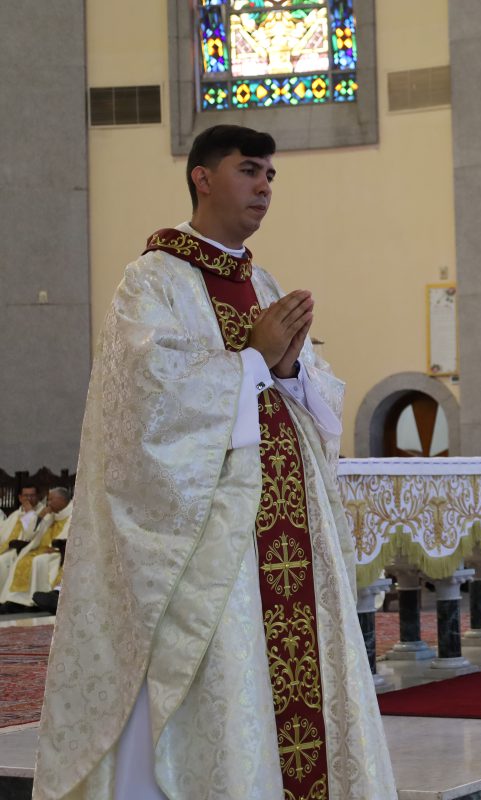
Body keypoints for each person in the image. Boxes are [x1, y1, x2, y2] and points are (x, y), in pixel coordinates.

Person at [34, 125, 397, 799]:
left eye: (270, 176)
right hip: (211, 545)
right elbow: (146, 404)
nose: (264, 186)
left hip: (285, 532)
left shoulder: (261, 280)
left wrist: (288, 370)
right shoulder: (153, 281)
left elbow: (298, 394)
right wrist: (255, 359)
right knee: (229, 688)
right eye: (250, 170)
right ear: (202, 177)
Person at [0, 487, 71, 612]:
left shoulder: (73, 515)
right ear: (20, 498)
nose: (48, 503)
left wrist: (55, 548)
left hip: (59, 552)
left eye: (51, 500)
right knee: (22, 559)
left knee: (38, 561)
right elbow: (29, 533)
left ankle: (37, 601)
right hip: (37, 549)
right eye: (26, 496)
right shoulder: (49, 514)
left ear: (61, 500)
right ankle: (17, 600)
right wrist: (40, 516)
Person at [0, 487, 41, 589]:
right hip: (5, 548)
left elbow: (30, 535)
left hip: (23, 550)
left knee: (2, 561)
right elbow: (3, 530)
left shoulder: (42, 513)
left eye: (32, 495)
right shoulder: (15, 514)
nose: (29, 499)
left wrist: (30, 513)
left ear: (38, 496)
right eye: (26, 496)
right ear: (20, 498)